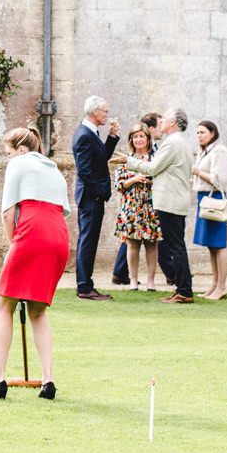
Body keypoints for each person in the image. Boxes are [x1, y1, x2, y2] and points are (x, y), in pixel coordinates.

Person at [0, 127, 71, 399]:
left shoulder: (19, 164)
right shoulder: (54, 169)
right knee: (37, 311)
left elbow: (8, 212)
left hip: (31, 232)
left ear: (21, 149)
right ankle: (48, 380)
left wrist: (14, 245)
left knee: (3, 305)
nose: (9, 158)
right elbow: (63, 211)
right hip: (58, 236)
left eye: (9, 153)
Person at [124, 107, 194, 304]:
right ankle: (183, 288)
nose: (160, 122)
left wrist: (128, 161)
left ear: (172, 123)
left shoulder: (171, 143)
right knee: (176, 245)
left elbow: (152, 168)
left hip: (170, 200)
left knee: (175, 247)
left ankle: (184, 291)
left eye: (164, 119)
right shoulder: (180, 142)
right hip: (175, 199)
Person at [70, 95, 119, 301]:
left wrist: (112, 137)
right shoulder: (83, 135)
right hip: (91, 198)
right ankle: (84, 286)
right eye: (105, 111)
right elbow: (85, 171)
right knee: (87, 241)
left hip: (93, 197)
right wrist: (99, 192)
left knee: (89, 240)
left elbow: (101, 159)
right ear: (95, 112)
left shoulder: (91, 133)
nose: (107, 114)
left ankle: (86, 284)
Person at [111, 124, 161, 290]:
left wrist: (151, 181)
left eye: (142, 136)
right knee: (132, 244)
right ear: (131, 140)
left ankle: (151, 281)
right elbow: (119, 185)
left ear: (148, 139)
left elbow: (162, 179)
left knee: (151, 244)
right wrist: (134, 179)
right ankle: (133, 280)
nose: (139, 140)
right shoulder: (125, 158)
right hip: (131, 206)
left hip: (150, 205)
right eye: (136, 137)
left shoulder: (156, 158)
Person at [190, 119, 227, 300]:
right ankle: (214, 284)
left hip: (214, 198)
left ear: (212, 133)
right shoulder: (204, 151)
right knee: (210, 244)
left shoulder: (220, 151)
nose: (199, 136)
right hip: (204, 198)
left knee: (218, 242)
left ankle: (222, 286)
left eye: (203, 132)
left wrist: (198, 172)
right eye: (198, 133)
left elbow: (220, 179)